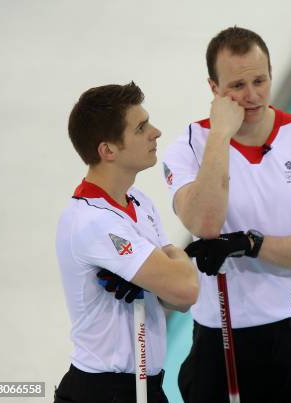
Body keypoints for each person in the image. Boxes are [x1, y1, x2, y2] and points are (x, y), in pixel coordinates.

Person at [162, 27, 291, 403]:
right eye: (237, 86)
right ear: (213, 88)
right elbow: (205, 223)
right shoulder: (187, 148)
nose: (252, 96)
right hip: (222, 335)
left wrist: (249, 245)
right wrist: (221, 135)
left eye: (260, 81)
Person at [54, 82, 199, 403]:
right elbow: (185, 287)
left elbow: (181, 300)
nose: (156, 132)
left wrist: (164, 275)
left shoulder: (139, 202)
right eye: (141, 128)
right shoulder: (93, 221)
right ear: (108, 151)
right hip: (102, 391)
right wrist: (170, 267)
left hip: (147, 386)